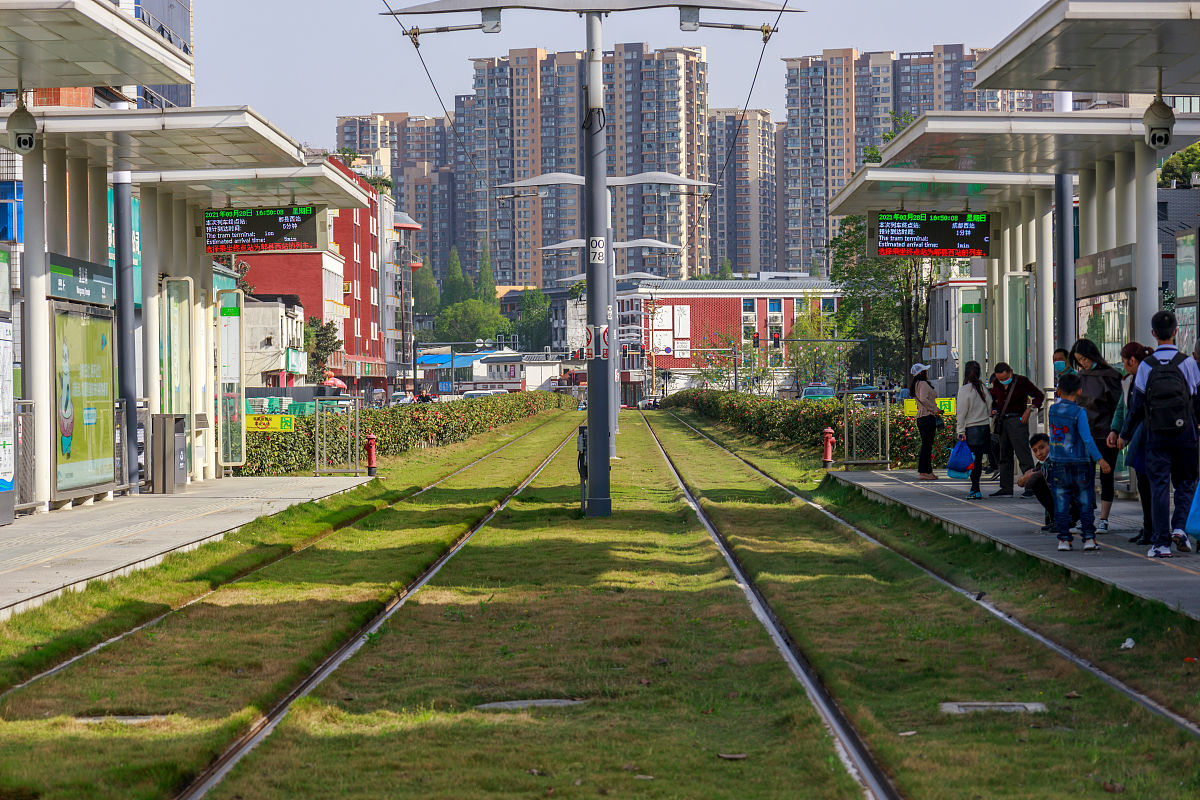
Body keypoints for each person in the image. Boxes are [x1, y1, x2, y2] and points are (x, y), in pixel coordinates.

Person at [1119, 310, 1200, 558]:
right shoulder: (1187, 363)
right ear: (1176, 331)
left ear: (1154, 334)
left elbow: (1136, 406)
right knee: (1186, 482)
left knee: (1159, 487)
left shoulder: (1146, 366)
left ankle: (1161, 543)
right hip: (1185, 434)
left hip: (1156, 436)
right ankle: (1179, 527)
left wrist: (1125, 434)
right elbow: (1197, 400)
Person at [1048, 373, 1112, 551]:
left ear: (1059, 390)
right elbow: (1087, 439)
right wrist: (1100, 459)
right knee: (1084, 501)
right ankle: (1089, 539)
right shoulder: (1079, 412)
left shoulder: (1052, 410)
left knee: (1061, 502)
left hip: (1058, 462)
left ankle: (1064, 540)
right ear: (1079, 391)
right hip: (1080, 462)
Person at [1071, 338, 1123, 532]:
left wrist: (1116, 431)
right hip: (1086, 434)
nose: (1083, 363)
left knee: (1106, 476)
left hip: (1105, 433)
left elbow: (1119, 406)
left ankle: (1104, 519)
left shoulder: (1110, 376)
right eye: (1079, 360)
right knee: (1084, 477)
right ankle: (1087, 518)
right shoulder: (1080, 376)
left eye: (1084, 359)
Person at [1108, 342, 1155, 545]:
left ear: (1132, 361)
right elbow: (1122, 408)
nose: (1123, 365)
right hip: (1137, 437)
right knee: (1144, 485)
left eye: (1125, 361)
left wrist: (1123, 434)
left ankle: (1155, 529)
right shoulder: (1128, 382)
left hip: (1149, 437)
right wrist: (1115, 430)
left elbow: (1136, 411)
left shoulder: (1149, 378)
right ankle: (1148, 527)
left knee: (1152, 486)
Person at [989, 362, 1045, 497]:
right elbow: (994, 399)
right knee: (1004, 455)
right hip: (1003, 421)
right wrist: (994, 409)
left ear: (1011, 372)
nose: (1002, 381)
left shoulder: (1021, 381)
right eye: (1000, 379)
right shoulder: (996, 383)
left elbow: (1039, 396)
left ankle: (1031, 487)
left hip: (1018, 420)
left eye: (1004, 378)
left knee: (1023, 454)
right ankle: (1006, 488)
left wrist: (1029, 409)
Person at [955, 360, 991, 499]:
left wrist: (960, 431)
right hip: (983, 428)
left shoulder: (964, 390)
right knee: (978, 460)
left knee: (971, 460)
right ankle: (976, 488)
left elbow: (961, 412)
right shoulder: (983, 388)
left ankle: (974, 488)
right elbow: (989, 408)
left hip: (971, 429)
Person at [911, 363, 942, 480]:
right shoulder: (923, 384)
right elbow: (924, 399)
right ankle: (924, 472)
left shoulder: (916, 384)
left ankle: (928, 471)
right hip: (927, 416)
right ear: (921, 373)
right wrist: (935, 409)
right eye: (925, 371)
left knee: (926, 445)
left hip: (921, 417)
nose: (927, 373)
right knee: (927, 445)